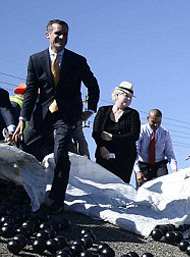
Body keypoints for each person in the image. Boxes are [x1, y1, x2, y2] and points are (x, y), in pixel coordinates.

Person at [10, 19, 100, 214]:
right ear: (48, 35)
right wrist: (22, 120)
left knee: (61, 153)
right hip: (42, 113)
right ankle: (25, 192)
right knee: (26, 147)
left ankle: (55, 200)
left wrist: (90, 110)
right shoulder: (36, 60)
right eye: (58, 33)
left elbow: (93, 86)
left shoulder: (77, 61)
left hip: (66, 115)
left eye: (65, 34)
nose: (61, 37)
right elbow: (31, 92)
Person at [91, 82, 139, 183]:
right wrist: (102, 147)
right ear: (117, 95)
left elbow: (133, 136)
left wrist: (112, 137)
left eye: (130, 97)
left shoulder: (133, 114)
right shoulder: (103, 111)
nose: (129, 99)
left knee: (120, 187)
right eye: (126, 96)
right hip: (104, 155)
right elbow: (96, 132)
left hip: (125, 158)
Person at [135, 108, 177, 187]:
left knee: (165, 188)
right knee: (143, 191)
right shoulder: (141, 131)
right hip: (143, 164)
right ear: (148, 118)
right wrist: (137, 171)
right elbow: (135, 152)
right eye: (153, 122)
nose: (156, 125)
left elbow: (169, 153)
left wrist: (175, 169)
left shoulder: (165, 133)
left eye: (159, 122)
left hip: (159, 165)